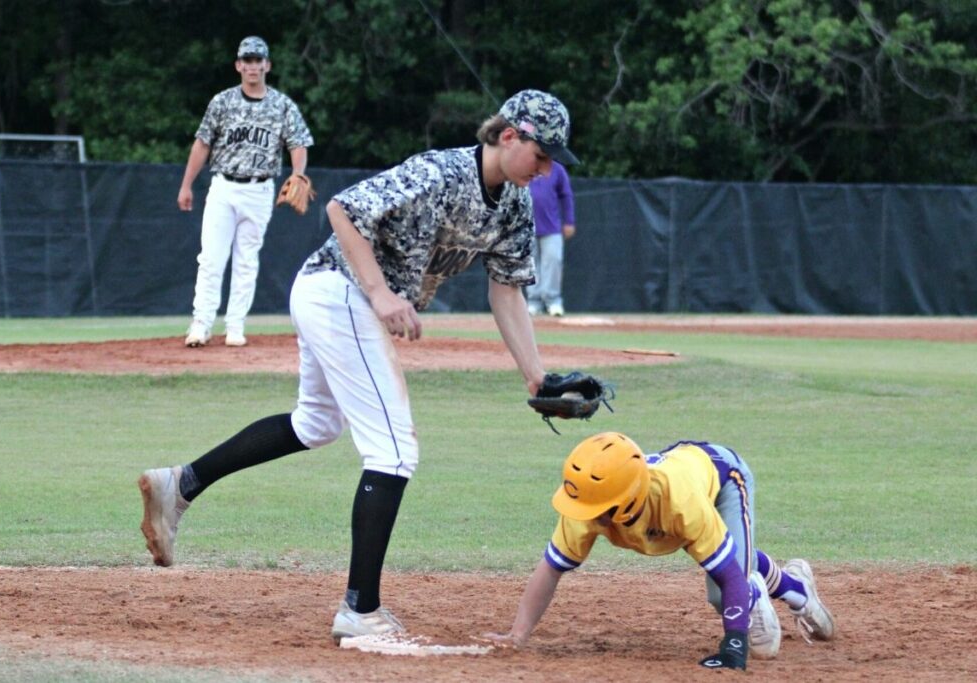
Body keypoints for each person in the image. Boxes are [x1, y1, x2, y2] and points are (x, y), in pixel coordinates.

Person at [138, 89, 580, 642]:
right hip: (338, 291)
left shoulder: (515, 205)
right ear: (509, 135)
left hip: (339, 299)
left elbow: (507, 292)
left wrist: (536, 376)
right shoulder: (439, 172)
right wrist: (382, 294)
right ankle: (359, 609)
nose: (546, 169)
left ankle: (179, 484)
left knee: (315, 424)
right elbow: (341, 208)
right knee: (394, 451)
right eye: (542, 155)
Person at [486, 433, 835, 670]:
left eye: (596, 508)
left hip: (724, 479)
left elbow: (728, 575)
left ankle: (797, 594)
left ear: (626, 502)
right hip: (683, 488)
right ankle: (782, 577)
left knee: (725, 596)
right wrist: (517, 635)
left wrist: (734, 642)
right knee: (725, 552)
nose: (585, 516)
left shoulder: (678, 501)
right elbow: (550, 569)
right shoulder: (587, 507)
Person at [179, 36, 314, 348]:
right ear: (238, 65)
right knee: (211, 258)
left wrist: (297, 175)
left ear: (267, 65)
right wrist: (186, 184)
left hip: (259, 189)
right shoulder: (222, 102)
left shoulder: (282, 105)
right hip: (224, 186)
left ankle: (235, 326)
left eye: (258, 60)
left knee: (246, 260)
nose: (253, 66)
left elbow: (298, 142)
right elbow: (202, 143)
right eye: (247, 60)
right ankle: (201, 323)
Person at [526, 160, 575, 317]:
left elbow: (566, 195)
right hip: (526, 226)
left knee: (554, 261)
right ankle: (534, 302)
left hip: (552, 226)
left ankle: (553, 301)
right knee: (530, 265)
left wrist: (569, 221)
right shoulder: (525, 165)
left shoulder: (557, 170)